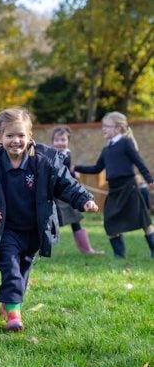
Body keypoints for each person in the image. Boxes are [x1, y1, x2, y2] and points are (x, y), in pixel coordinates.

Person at [0, 108, 98, 332]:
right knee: (10, 268)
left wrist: (83, 199)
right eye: (10, 136)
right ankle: (14, 315)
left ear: (30, 137)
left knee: (22, 270)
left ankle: (9, 300)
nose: (15, 141)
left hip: (34, 231)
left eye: (21, 135)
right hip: (6, 229)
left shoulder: (44, 162)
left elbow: (65, 183)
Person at [74, 111, 154, 259]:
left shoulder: (126, 143)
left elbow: (139, 163)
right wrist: (76, 167)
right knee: (109, 221)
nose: (103, 129)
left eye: (106, 126)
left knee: (143, 220)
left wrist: (150, 180)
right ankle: (119, 254)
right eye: (103, 126)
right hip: (114, 189)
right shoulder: (106, 149)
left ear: (118, 128)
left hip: (129, 187)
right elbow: (96, 169)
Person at [51, 125, 103, 255]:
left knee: (75, 220)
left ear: (68, 141)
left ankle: (86, 249)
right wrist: (73, 174)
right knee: (50, 221)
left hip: (67, 194)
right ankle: (39, 249)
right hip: (56, 195)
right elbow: (59, 173)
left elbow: (66, 173)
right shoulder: (52, 155)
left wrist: (73, 174)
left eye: (63, 139)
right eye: (57, 140)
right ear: (52, 141)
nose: (60, 143)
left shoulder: (67, 154)